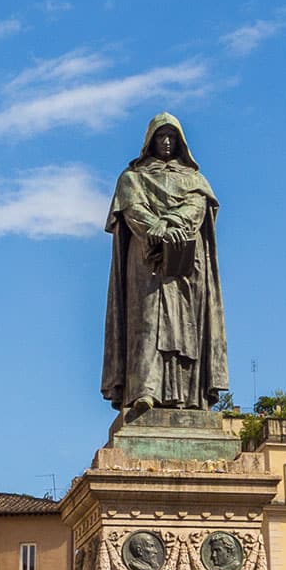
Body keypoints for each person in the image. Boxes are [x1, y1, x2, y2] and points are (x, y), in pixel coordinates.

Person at [101, 112, 229, 412]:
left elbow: (198, 206)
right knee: (146, 322)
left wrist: (172, 223)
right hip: (147, 258)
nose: (167, 142)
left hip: (185, 263)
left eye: (172, 136)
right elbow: (132, 208)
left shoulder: (195, 179)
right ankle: (144, 390)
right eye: (161, 136)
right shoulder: (132, 177)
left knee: (185, 327)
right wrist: (156, 230)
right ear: (151, 141)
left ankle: (186, 396)